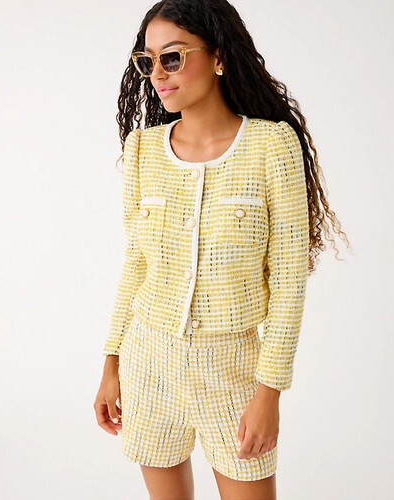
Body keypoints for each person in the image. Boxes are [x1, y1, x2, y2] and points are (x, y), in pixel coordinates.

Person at [94, 1, 351, 498]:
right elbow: (137, 265)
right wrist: (110, 364)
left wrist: (269, 394)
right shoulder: (142, 150)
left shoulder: (271, 146)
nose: (157, 74)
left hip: (233, 372)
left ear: (218, 57)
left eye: (172, 57)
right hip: (147, 365)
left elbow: (289, 280)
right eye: (147, 61)